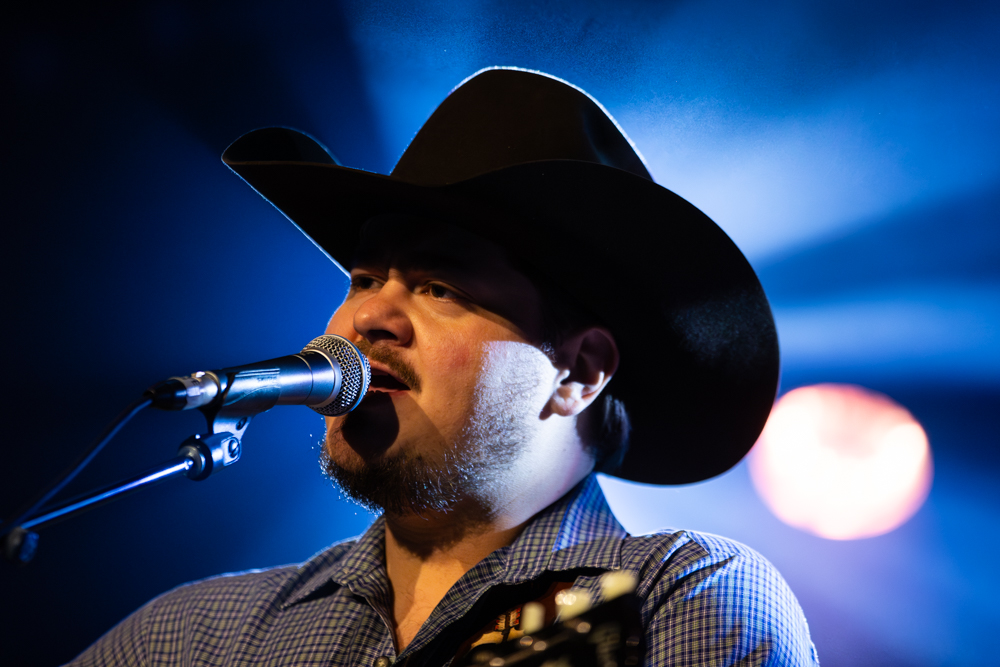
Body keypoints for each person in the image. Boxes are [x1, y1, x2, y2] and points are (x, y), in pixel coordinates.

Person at [69, 68, 819, 666]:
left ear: (578, 373)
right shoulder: (196, 637)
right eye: (364, 278)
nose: (369, 316)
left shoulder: (674, 599)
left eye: (440, 287)